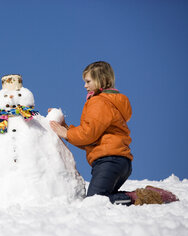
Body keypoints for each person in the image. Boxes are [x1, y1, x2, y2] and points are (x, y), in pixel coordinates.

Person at [50, 61, 178, 205]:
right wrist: (67, 129)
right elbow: (90, 139)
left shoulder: (99, 102)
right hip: (118, 161)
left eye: (88, 81)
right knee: (103, 198)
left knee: (94, 202)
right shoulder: (108, 102)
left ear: (101, 80)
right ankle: (143, 196)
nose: (85, 86)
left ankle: (145, 196)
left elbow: (88, 134)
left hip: (109, 161)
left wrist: (67, 134)